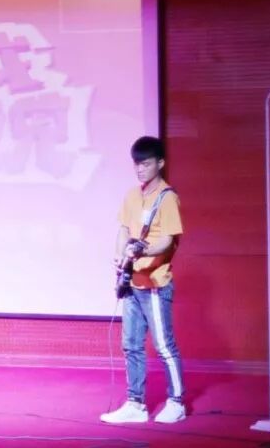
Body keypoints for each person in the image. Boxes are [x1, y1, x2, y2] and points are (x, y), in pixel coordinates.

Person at [101, 136, 185, 424]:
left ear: (160, 163)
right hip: (132, 283)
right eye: (136, 164)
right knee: (131, 345)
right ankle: (135, 404)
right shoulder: (132, 196)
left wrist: (143, 250)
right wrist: (119, 255)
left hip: (156, 284)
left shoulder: (167, 197)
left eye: (145, 164)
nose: (139, 169)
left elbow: (168, 239)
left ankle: (176, 402)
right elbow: (124, 229)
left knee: (164, 346)